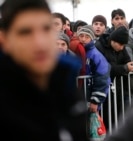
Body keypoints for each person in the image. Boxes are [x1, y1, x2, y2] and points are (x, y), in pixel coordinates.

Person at [0, 0, 88, 140]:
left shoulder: (66, 83)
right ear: (4, 39)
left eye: (46, 29)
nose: (40, 43)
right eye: (25, 32)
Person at [96, 25, 133, 131]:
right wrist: (124, 68)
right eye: (121, 45)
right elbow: (105, 69)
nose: (122, 48)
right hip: (103, 89)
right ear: (113, 40)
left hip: (118, 89)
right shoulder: (99, 46)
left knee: (117, 119)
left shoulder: (121, 48)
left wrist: (128, 67)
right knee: (105, 119)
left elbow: (128, 61)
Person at [77, 25, 111, 113]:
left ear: (91, 39)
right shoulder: (77, 52)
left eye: (87, 36)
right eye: (81, 36)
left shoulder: (96, 55)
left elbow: (102, 78)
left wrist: (95, 101)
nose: (83, 39)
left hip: (89, 100)